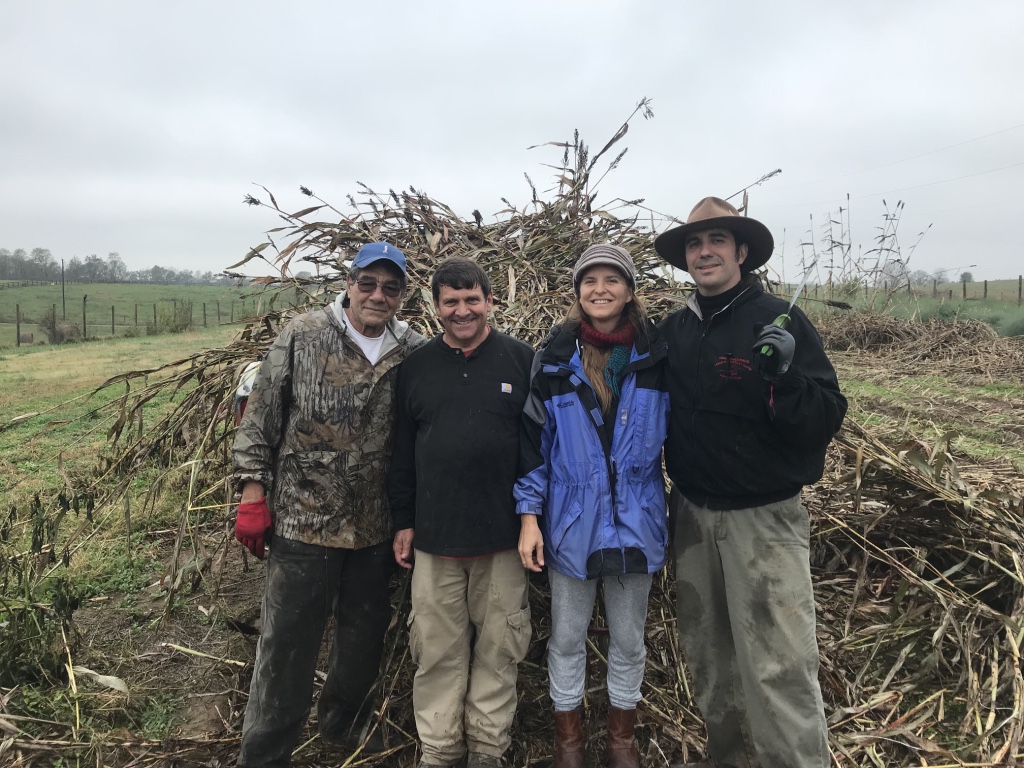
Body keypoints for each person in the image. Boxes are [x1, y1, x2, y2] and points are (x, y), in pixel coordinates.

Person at [653, 197, 848, 768]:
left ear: (741, 251)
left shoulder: (777, 321)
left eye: (717, 240)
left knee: (779, 667)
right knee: (712, 662)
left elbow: (825, 417)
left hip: (763, 520)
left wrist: (786, 377)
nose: (704, 251)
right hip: (688, 515)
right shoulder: (675, 330)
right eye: (694, 242)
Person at [232, 241, 425, 768]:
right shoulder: (304, 333)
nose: (377, 295)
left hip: (374, 527)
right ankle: (266, 753)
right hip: (303, 522)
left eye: (390, 287)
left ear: (403, 295)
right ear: (349, 283)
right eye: (368, 283)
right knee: (287, 647)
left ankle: (341, 725)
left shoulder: (412, 349)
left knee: (362, 643)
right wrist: (252, 493)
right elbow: (261, 416)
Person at [515, 244, 670, 768]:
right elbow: (534, 450)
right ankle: (570, 742)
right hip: (571, 528)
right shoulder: (555, 360)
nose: (600, 289)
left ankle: (621, 740)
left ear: (630, 291)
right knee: (566, 638)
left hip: (636, 524)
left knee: (628, 639)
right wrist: (530, 517)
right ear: (577, 291)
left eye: (612, 279)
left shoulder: (655, 358)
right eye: (590, 280)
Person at [389, 257, 534, 768]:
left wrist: (532, 520)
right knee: (436, 652)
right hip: (434, 539)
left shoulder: (521, 360)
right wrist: (404, 520)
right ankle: (440, 750)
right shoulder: (416, 368)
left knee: (500, 651)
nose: (462, 310)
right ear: (435, 308)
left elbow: (537, 451)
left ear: (491, 302)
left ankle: (489, 751)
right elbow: (401, 452)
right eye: (450, 301)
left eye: (472, 299)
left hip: (503, 539)